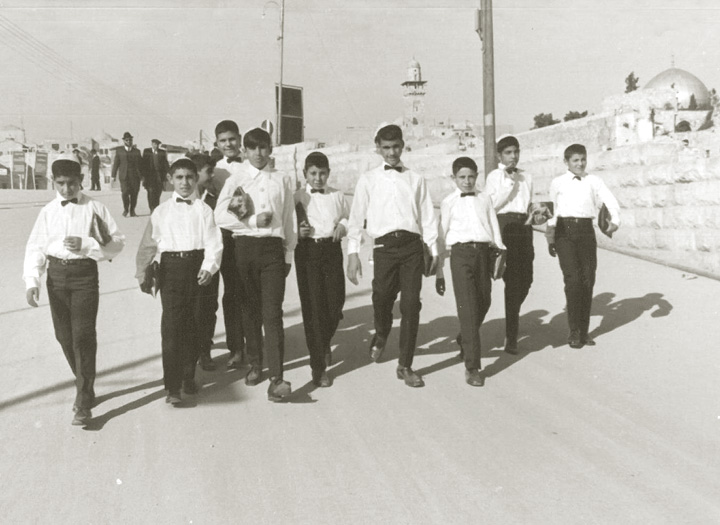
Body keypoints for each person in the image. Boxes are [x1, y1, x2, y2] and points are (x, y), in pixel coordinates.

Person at [23, 154, 125, 426]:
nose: (66, 189)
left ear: (81, 181)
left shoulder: (95, 208)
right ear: (53, 182)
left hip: (84, 277)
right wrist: (32, 281)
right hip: (56, 277)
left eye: (71, 183)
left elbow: (116, 243)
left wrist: (86, 245)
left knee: (82, 336)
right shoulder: (48, 212)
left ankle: (82, 400)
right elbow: (35, 247)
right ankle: (86, 385)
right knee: (64, 337)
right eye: (61, 184)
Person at [346, 123, 438, 388]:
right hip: (384, 248)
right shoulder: (368, 179)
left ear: (403, 145)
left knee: (411, 304)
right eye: (386, 148)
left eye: (396, 146)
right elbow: (355, 220)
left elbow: (428, 218)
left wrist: (433, 251)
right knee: (382, 297)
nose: (392, 152)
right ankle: (382, 332)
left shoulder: (416, 179)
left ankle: (405, 365)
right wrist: (353, 253)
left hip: (411, 247)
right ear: (378, 149)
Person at [214, 127, 297, 402]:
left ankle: (277, 377)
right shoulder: (237, 178)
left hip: (273, 251)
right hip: (244, 249)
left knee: (272, 313)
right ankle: (254, 363)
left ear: (270, 149)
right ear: (245, 151)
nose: (258, 153)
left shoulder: (283, 179)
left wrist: (288, 256)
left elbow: (288, 220)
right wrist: (250, 222)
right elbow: (219, 217)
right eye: (252, 149)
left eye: (263, 147)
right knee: (250, 311)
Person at [135, 158, 223, 405]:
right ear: (170, 180)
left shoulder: (204, 210)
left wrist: (209, 267)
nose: (185, 182)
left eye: (189, 177)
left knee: (195, 325)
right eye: (179, 177)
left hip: (197, 269)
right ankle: (172, 387)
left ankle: (187, 376)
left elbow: (214, 244)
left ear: (196, 180)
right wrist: (142, 271)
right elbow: (148, 245)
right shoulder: (161, 211)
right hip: (171, 270)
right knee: (172, 328)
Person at [435, 157, 505, 386]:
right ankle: (473, 367)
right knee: (467, 308)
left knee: (484, 302)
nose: (467, 182)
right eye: (462, 177)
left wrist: (500, 251)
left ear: (477, 177)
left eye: (471, 177)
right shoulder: (448, 202)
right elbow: (442, 235)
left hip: (483, 254)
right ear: (453, 178)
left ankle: (465, 337)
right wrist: (439, 270)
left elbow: (493, 226)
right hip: (460, 255)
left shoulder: (485, 199)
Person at [546, 144, 620, 348]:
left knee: (587, 280)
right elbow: (552, 211)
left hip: (586, 232)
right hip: (564, 232)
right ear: (566, 162)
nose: (579, 164)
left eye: (582, 159)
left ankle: (584, 332)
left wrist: (615, 219)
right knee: (573, 280)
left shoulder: (594, 181)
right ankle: (574, 331)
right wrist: (550, 238)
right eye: (575, 160)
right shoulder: (557, 182)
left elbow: (610, 200)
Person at [294, 152, 348, 387]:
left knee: (336, 302)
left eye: (322, 173)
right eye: (313, 173)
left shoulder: (337, 195)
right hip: (307, 252)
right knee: (314, 308)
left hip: (332, 250)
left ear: (328, 173)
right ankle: (318, 367)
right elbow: (286, 224)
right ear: (305, 174)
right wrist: (298, 232)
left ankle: (324, 341)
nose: (318, 178)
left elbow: (350, 217)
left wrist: (343, 226)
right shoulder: (297, 197)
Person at [484, 135, 534, 354]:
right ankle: (511, 335)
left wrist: (536, 212)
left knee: (527, 279)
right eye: (508, 153)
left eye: (516, 152)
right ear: (499, 155)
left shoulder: (527, 177)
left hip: (524, 227)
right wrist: (509, 182)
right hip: (504, 226)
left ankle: (511, 317)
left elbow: (527, 203)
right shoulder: (494, 176)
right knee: (512, 281)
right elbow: (491, 204)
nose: (513, 157)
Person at [210, 120, 247, 370]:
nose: (228, 144)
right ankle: (236, 347)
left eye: (232, 139)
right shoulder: (215, 170)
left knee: (249, 291)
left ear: (240, 138)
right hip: (224, 236)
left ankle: (251, 342)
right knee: (231, 293)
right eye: (223, 141)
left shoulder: (252, 165)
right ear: (217, 144)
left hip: (248, 234)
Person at [111, 131, 143, 217]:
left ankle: (132, 211)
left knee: (134, 194)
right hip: (124, 176)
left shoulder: (137, 152)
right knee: (124, 193)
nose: (129, 141)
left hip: (135, 177)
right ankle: (126, 209)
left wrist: (142, 176)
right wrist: (113, 175)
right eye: (127, 140)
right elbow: (116, 164)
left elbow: (141, 165)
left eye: (130, 140)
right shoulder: (119, 151)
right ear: (124, 141)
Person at [142, 138, 169, 212]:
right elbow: (143, 164)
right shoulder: (146, 151)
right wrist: (143, 176)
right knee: (150, 192)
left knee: (158, 192)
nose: (155, 146)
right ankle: (151, 208)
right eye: (154, 144)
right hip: (149, 176)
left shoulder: (162, 152)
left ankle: (156, 207)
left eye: (157, 144)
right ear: (151, 144)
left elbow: (165, 163)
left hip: (159, 176)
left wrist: (169, 172)